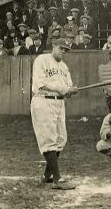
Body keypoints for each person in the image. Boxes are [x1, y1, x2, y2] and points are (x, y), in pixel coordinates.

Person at [30, 38, 78, 190]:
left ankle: (47, 176)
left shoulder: (64, 66)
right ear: (53, 46)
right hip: (43, 100)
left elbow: (67, 87)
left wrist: (71, 90)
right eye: (61, 48)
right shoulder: (42, 60)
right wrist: (64, 89)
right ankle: (58, 179)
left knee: (61, 138)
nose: (63, 51)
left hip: (59, 103)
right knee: (49, 138)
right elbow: (41, 83)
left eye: (66, 50)